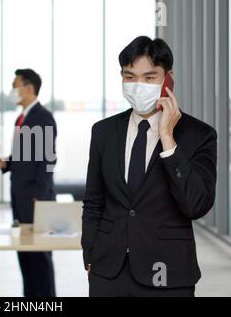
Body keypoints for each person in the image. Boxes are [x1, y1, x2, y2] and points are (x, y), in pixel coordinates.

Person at [82, 36, 217, 297]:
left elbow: (197, 205)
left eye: (150, 77)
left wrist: (168, 138)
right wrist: (90, 254)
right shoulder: (103, 132)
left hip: (169, 274)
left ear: (168, 77)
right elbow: (93, 202)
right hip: (107, 272)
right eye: (129, 77)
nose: (138, 85)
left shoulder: (199, 135)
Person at [0, 69, 57, 297]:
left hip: (34, 199)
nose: (12, 90)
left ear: (28, 88)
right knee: (26, 257)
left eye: (15, 85)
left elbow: (49, 159)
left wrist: (38, 195)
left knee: (39, 258)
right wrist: (7, 164)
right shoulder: (22, 118)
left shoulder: (43, 117)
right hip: (20, 196)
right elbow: (27, 157)